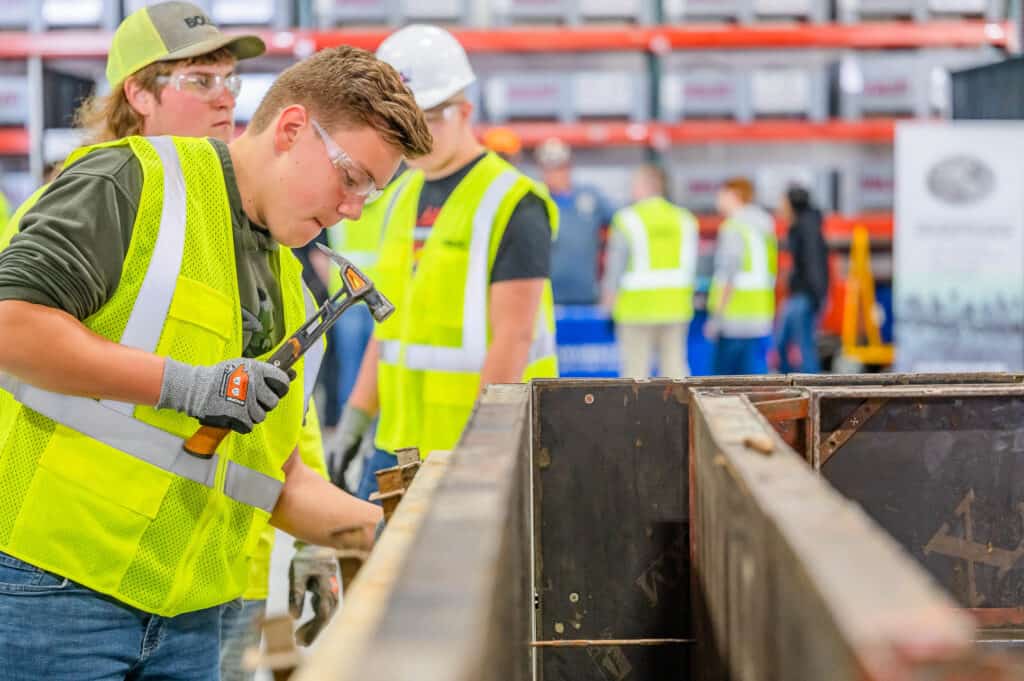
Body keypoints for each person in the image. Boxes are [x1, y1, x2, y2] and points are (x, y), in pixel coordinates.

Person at [0, 29, 432, 679]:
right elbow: (12, 324)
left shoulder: (291, 284)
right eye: (350, 178)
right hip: (59, 593)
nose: (353, 209)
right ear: (291, 129)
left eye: (369, 193)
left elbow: (274, 477)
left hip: (195, 618)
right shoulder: (135, 181)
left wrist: (406, 537)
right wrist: (186, 385)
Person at [327, 24, 559, 499]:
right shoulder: (399, 194)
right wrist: (356, 416)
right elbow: (388, 325)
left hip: (473, 446)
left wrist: (485, 445)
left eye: (425, 118)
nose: (409, 136)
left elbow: (512, 338)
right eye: (397, 121)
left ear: (464, 112)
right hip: (397, 445)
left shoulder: (513, 202)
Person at [601, 164, 698, 379]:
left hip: (636, 308)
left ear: (646, 186)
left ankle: (636, 414)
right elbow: (692, 263)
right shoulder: (684, 219)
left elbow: (615, 267)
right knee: (675, 371)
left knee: (636, 374)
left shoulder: (627, 219)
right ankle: (679, 413)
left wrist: (608, 303)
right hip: (676, 306)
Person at [705, 177, 777, 375]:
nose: (718, 200)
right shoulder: (765, 226)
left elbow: (729, 275)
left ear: (735, 196)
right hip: (760, 316)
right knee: (755, 383)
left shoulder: (734, 227)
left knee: (723, 386)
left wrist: (716, 319)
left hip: (733, 320)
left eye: (721, 194)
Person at [538, 137, 615, 306]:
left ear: (568, 167)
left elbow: (621, 222)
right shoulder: (536, 201)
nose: (554, 174)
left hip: (585, 295)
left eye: (559, 167)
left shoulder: (589, 198)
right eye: (549, 168)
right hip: (548, 298)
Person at [775, 185, 829, 374]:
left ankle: (811, 387)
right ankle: (788, 382)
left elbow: (814, 263)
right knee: (782, 343)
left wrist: (818, 297)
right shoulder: (801, 226)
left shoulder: (806, 228)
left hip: (805, 295)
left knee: (803, 345)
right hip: (798, 294)